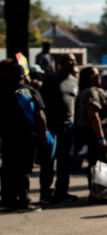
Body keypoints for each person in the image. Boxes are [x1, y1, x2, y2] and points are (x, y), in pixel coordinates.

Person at [1, 60, 48, 212]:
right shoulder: (30, 91)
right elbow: (40, 116)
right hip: (28, 137)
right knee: (24, 170)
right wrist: (43, 135)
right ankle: (24, 201)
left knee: (8, 168)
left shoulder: (3, 92)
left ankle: (8, 201)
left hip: (8, 137)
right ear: (21, 75)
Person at [39, 53, 78, 204]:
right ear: (61, 63)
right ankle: (45, 193)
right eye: (69, 60)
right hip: (53, 125)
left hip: (68, 126)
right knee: (49, 160)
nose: (72, 63)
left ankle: (61, 191)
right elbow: (41, 102)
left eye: (74, 61)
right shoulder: (51, 79)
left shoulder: (75, 81)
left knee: (65, 160)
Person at [75, 66, 107, 202]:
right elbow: (93, 116)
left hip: (98, 131)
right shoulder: (90, 93)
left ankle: (101, 192)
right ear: (87, 78)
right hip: (95, 132)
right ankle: (98, 193)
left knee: (100, 162)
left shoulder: (95, 91)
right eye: (95, 76)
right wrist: (100, 137)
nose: (99, 78)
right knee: (98, 163)